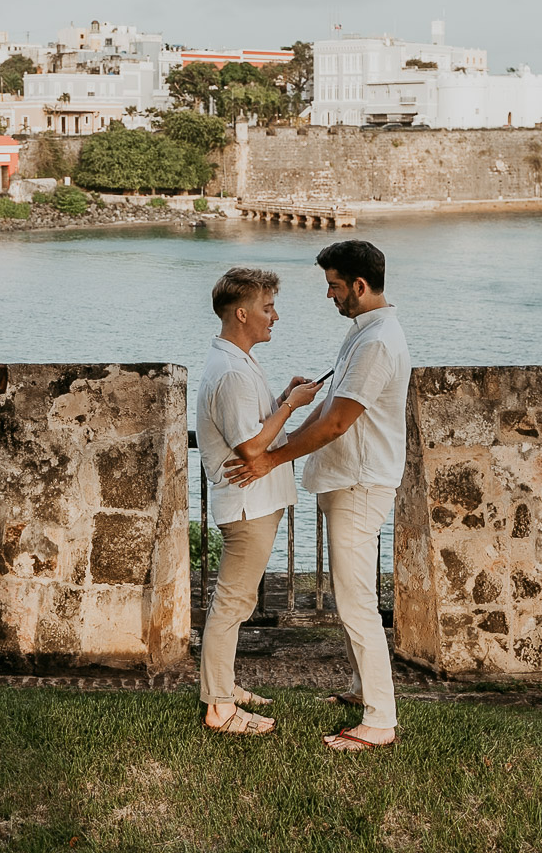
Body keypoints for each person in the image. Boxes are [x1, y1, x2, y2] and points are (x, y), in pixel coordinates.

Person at [224, 240, 410, 752]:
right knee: (352, 600)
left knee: (356, 604)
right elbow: (328, 406)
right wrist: (279, 443)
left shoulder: (376, 342)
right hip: (344, 479)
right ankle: (360, 690)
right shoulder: (363, 335)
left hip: (359, 481)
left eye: (333, 286)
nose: (329, 295)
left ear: (360, 285)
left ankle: (380, 721)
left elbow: (335, 423)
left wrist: (271, 460)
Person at [196, 266, 322, 736]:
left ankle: (223, 685)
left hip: (256, 502)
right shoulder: (229, 371)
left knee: (238, 600)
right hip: (247, 506)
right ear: (243, 313)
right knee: (231, 603)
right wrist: (292, 407)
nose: (275, 316)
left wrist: (285, 397)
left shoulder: (238, 361)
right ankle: (219, 708)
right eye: (267, 309)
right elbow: (251, 447)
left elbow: (253, 428)